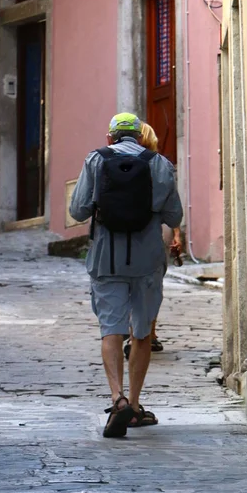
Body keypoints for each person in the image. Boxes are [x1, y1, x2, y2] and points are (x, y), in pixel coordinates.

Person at [69, 112, 183, 438]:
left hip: (107, 258)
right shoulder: (159, 163)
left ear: (110, 138)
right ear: (140, 136)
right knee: (142, 332)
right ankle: (134, 405)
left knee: (111, 330)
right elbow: (174, 213)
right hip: (147, 260)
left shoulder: (95, 160)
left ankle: (116, 398)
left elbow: (78, 210)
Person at [122, 121, 182, 359]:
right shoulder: (161, 165)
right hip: (152, 234)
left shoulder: (116, 163)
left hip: (122, 236)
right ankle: (148, 333)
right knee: (152, 284)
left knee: (127, 284)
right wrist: (176, 234)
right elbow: (172, 208)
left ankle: (131, 332)